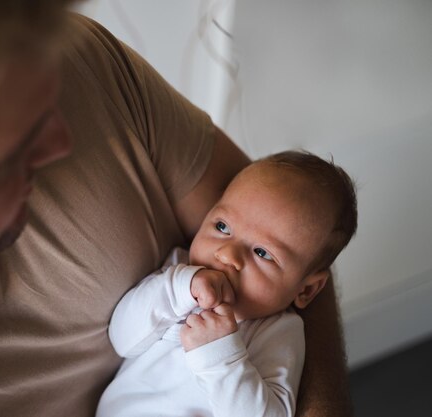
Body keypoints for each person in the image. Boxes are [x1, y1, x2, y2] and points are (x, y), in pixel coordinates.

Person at [0, 2, 351, 416]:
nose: (62, 143)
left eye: (47, 98)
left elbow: (294, 230)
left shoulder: (68, 56)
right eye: (4, 149)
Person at [96, 151, 357, 417]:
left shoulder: (279, 333)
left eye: (262, 253)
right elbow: (121, 339)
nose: (228, 255)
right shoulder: (177, 274)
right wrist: (177, 289)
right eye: (222, 226)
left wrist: (221, 357)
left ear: (306, 290)